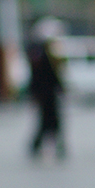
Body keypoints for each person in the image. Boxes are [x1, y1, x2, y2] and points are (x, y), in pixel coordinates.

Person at [27, 28, 66, 160]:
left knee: (49, 122)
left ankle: (56, 146)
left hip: (48, 96)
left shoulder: (44, 57)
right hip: (46, 96)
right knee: (48, 122)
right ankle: (41, 145)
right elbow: (44, 78)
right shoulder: (43, 58)